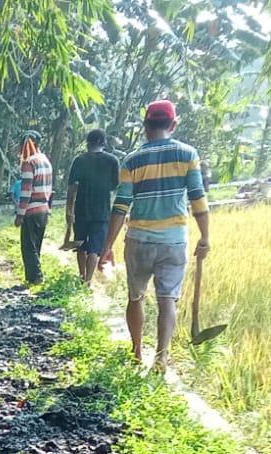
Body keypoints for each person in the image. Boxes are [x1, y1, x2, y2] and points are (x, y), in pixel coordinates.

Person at [106, 99, 211, 366]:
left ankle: (137, 351)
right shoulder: (188, 155)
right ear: (173, 124)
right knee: (167, 301)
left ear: (145, 126)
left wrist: (108, 245)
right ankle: (161, 358)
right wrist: (205, 236)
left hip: (139, 240)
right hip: (173, 241)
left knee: (135, 296)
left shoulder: (132, 160)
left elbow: (120, 206)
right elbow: (198, 199)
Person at [65, 129, 121, 282]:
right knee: (94, 249)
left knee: (80, 245)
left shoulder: (79, 160)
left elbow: (71, 188)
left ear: (88, 142)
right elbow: (115, 185)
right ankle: (87, 281)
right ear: (103, 143)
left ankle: (81, 275)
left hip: (81, 209)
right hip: (101, 211)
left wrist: (69, 210)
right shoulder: (112, 161)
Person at [15, 131, 54, 286]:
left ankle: (36, 277)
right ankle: (33, 278)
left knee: (28, 247)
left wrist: (20, 214)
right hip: (44, 209)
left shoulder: (29, 163)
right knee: (36, 245)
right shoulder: (45, 160)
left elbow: (26, 192)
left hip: (31, 210)